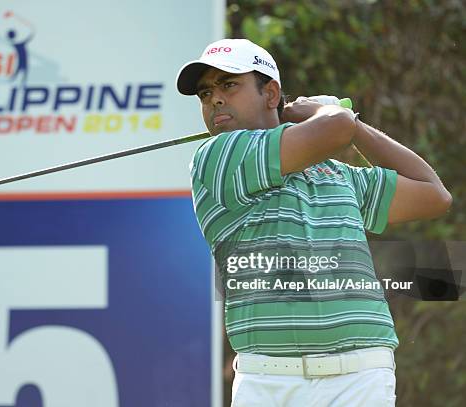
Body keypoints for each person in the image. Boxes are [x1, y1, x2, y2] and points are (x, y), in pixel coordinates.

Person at [176, 39, 452, 407]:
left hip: (361, 375)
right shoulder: (217, 158)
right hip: (268, 380)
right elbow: (335, 127)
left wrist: (356, 127)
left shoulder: (339, 175)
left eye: (229, 85)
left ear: (270, 93)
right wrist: (326, 113)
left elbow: (434, 194)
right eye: (205, 92)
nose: (215, 100)